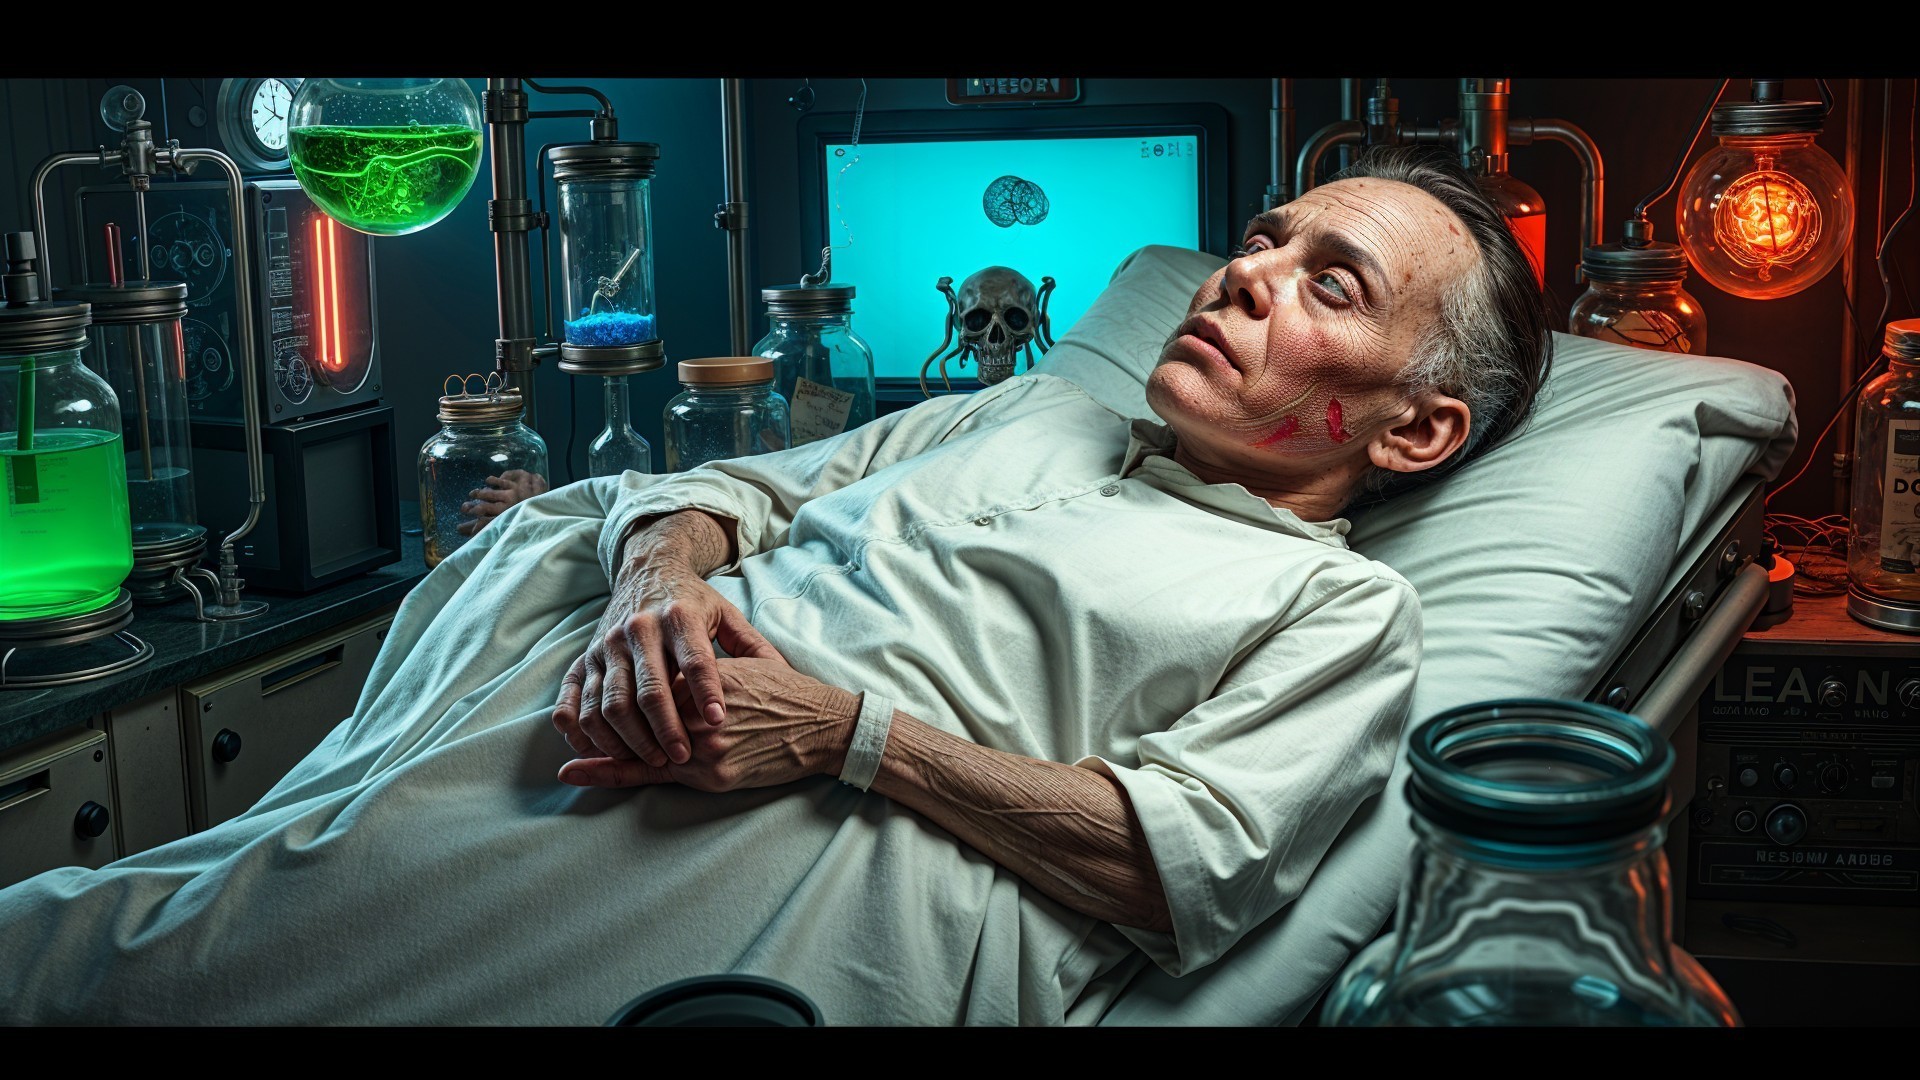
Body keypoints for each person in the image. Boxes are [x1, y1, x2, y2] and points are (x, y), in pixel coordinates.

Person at [0, 147, 1551, 1025]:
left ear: (1416, 428)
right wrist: (650, 590)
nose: (1247, 276)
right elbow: (719, 491)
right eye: (1263, 242)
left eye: (1324, 283)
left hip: (800, 833)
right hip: (590, 703)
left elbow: (1184, 867)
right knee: (173, 924)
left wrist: (837, 735)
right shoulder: (1035, 408)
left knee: (178, 972)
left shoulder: (1338, 608)